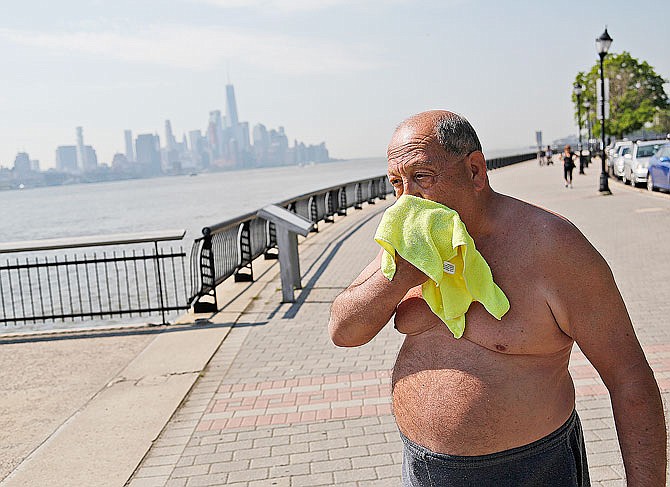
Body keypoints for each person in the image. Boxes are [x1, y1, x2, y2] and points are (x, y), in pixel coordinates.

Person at [328, 110, 665, 486]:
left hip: (533, 469)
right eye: (396, 184)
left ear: (475, 170)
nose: (406, 199)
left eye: (421, 177)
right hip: (422, 469)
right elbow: (344, 331)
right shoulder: (413, 239)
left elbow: (629, 377)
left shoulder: (552, 247)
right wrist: (401, 275)